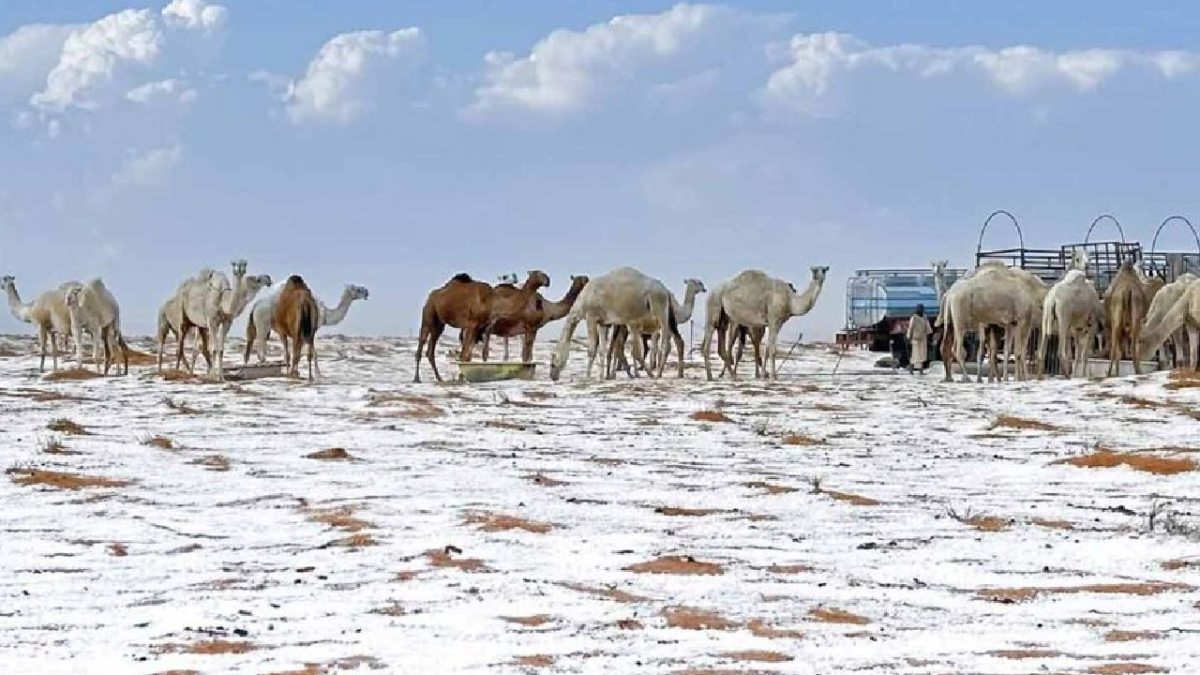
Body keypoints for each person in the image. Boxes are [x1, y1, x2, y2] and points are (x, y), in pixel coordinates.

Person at [906, 304, 933, 374]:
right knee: (914, 355)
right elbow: (910, 328)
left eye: (922, 309)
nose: (921, 310)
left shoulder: (924, 317)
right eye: (920, 309)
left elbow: (927, 327)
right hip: (915, 339)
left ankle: (921, 370)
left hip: (923, 339)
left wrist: (929, 336)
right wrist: (909, 337)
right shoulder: (914, 318)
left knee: (922, 355)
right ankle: (911, 370)